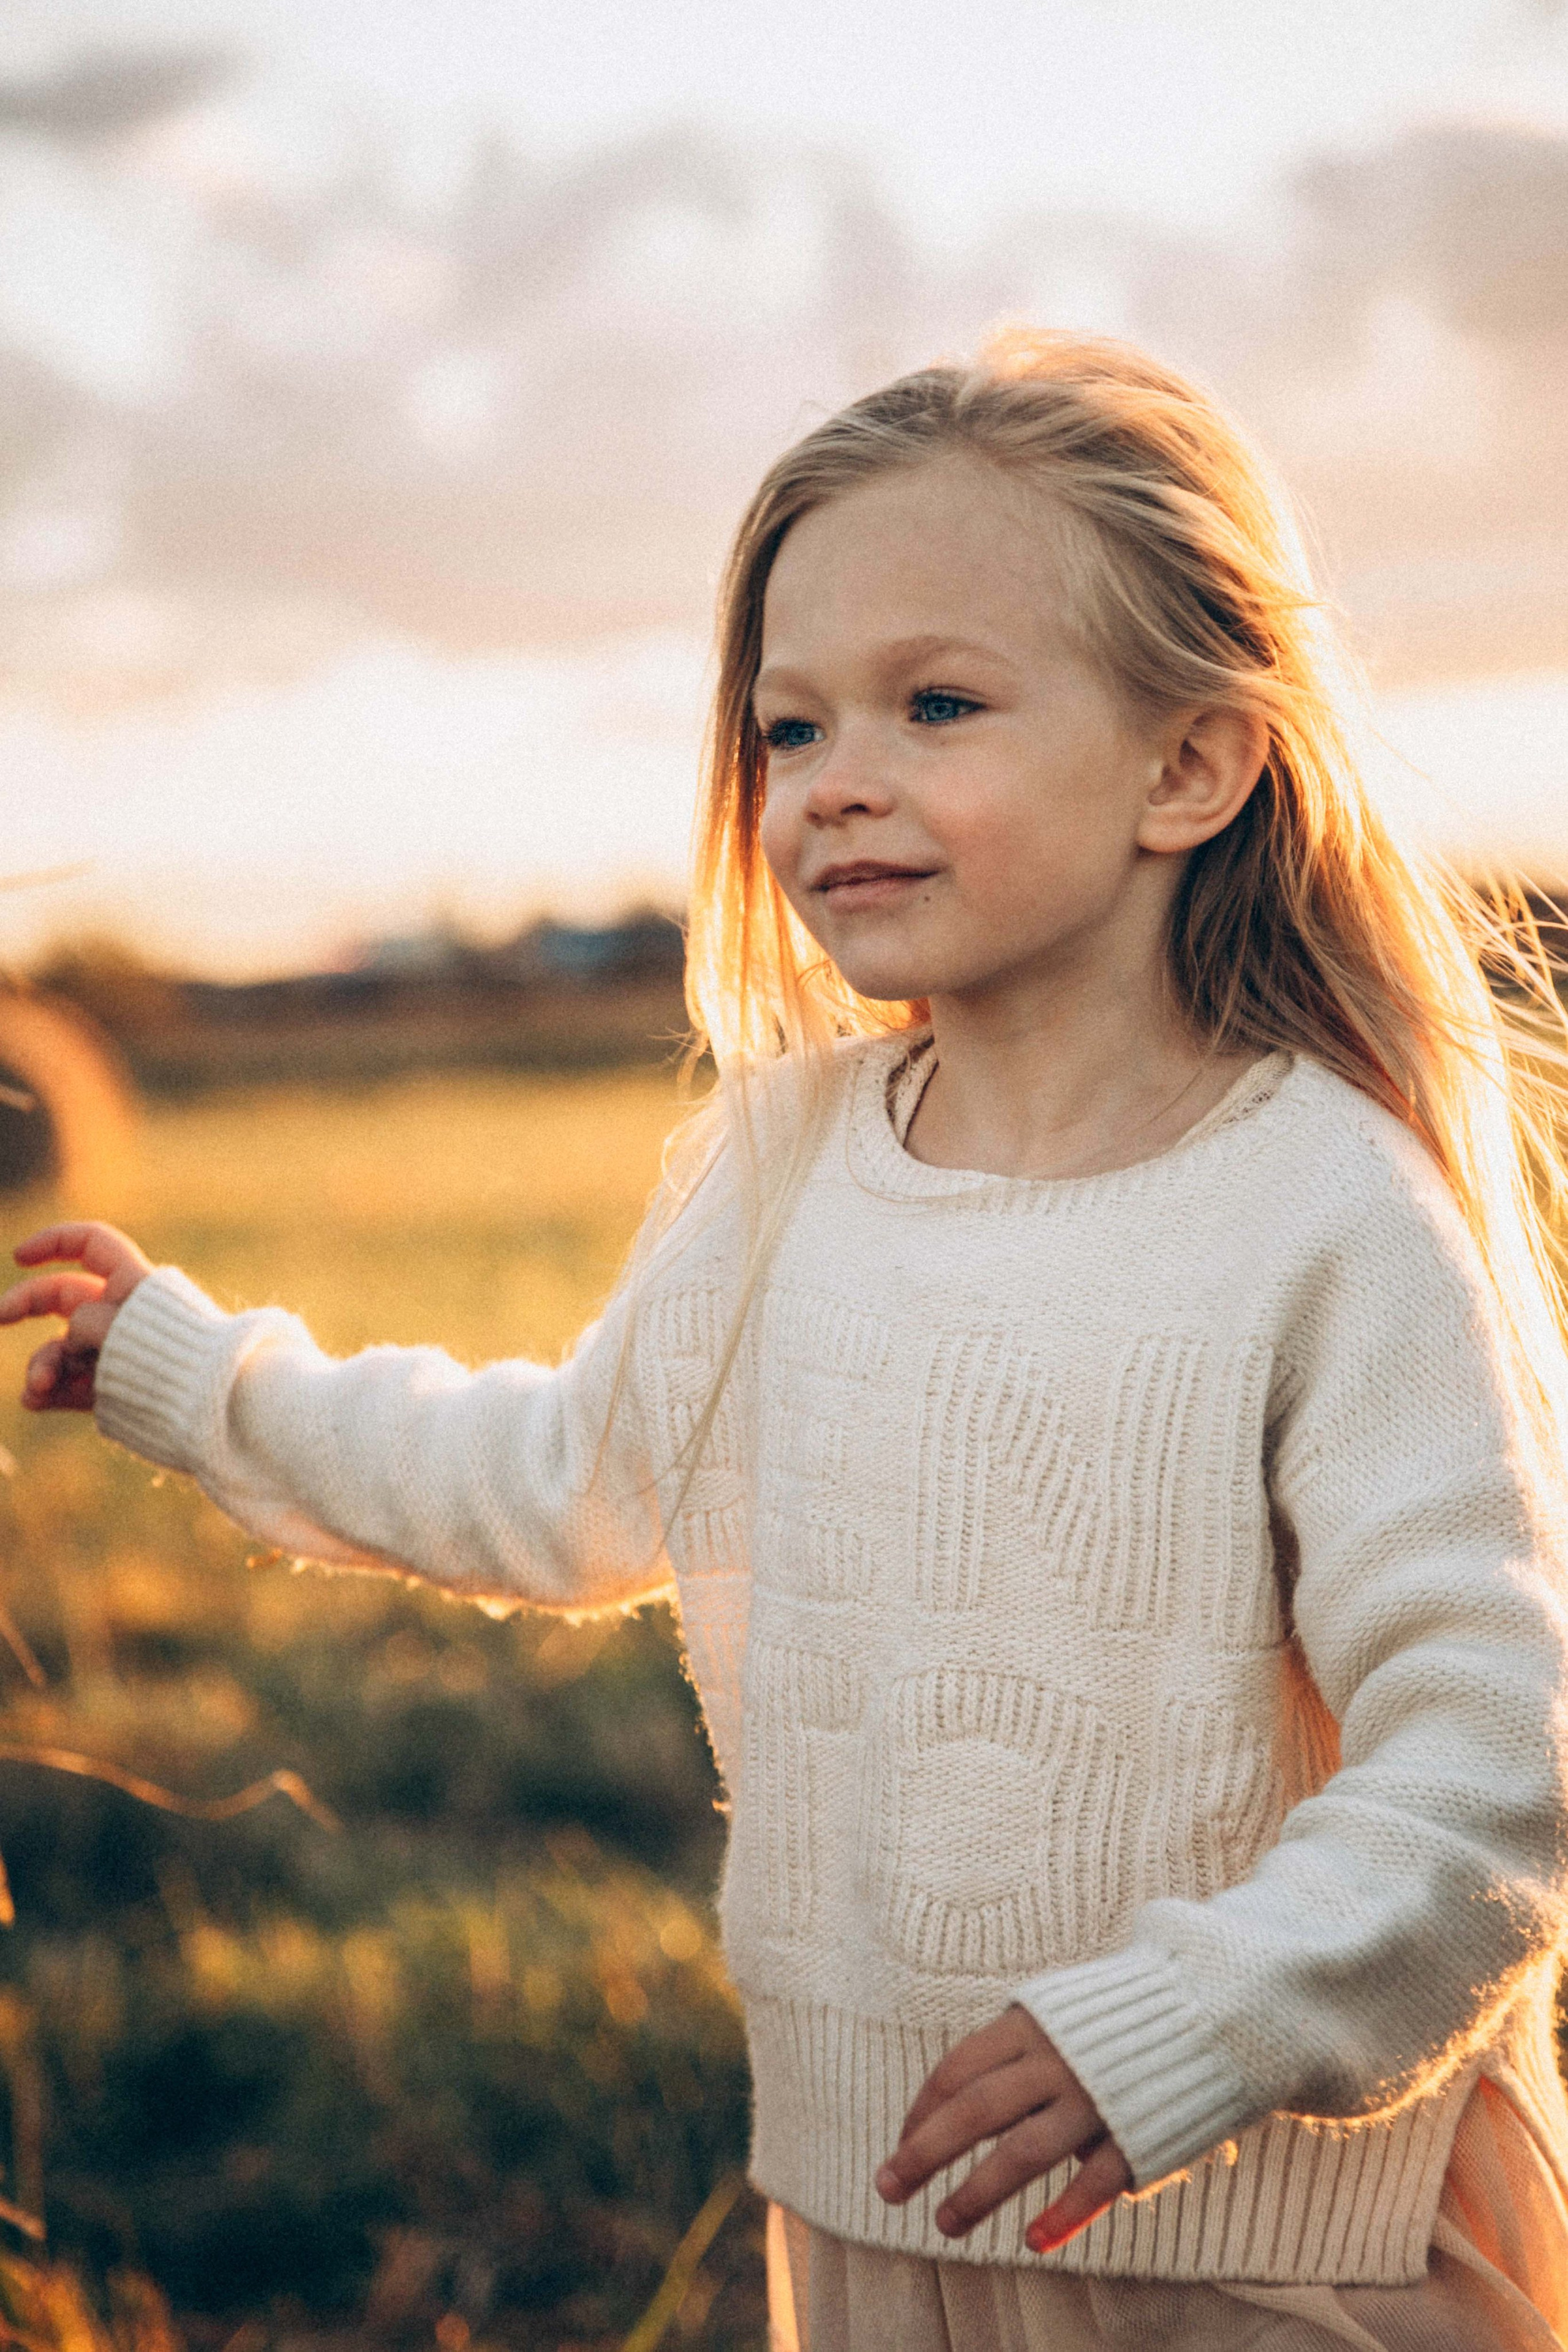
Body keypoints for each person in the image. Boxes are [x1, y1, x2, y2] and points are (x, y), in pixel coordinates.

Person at [5, 332, 1568, 2352]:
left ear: (1192, 762)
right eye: (788, 727)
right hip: (880, 2215)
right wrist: (204, 1376)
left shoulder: (1325, 1212)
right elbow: (561, 1484)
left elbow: (1493, 1752)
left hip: (1282, 2243)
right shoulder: (778, 1168)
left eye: (937, 704)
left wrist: (1192, 2022)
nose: (836, 782)